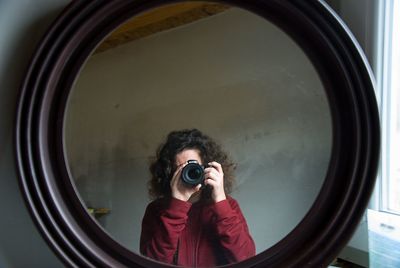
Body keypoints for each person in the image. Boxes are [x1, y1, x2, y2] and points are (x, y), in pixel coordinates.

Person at [140, 129, 255, 267]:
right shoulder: (156, 210)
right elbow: (151, 263)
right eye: (180, 169)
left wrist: (220, 201)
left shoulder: (228, 206)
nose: (188, 173)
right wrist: (176, 206)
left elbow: (246, 260)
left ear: (207, 168)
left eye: (193, 167)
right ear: (169, 173)